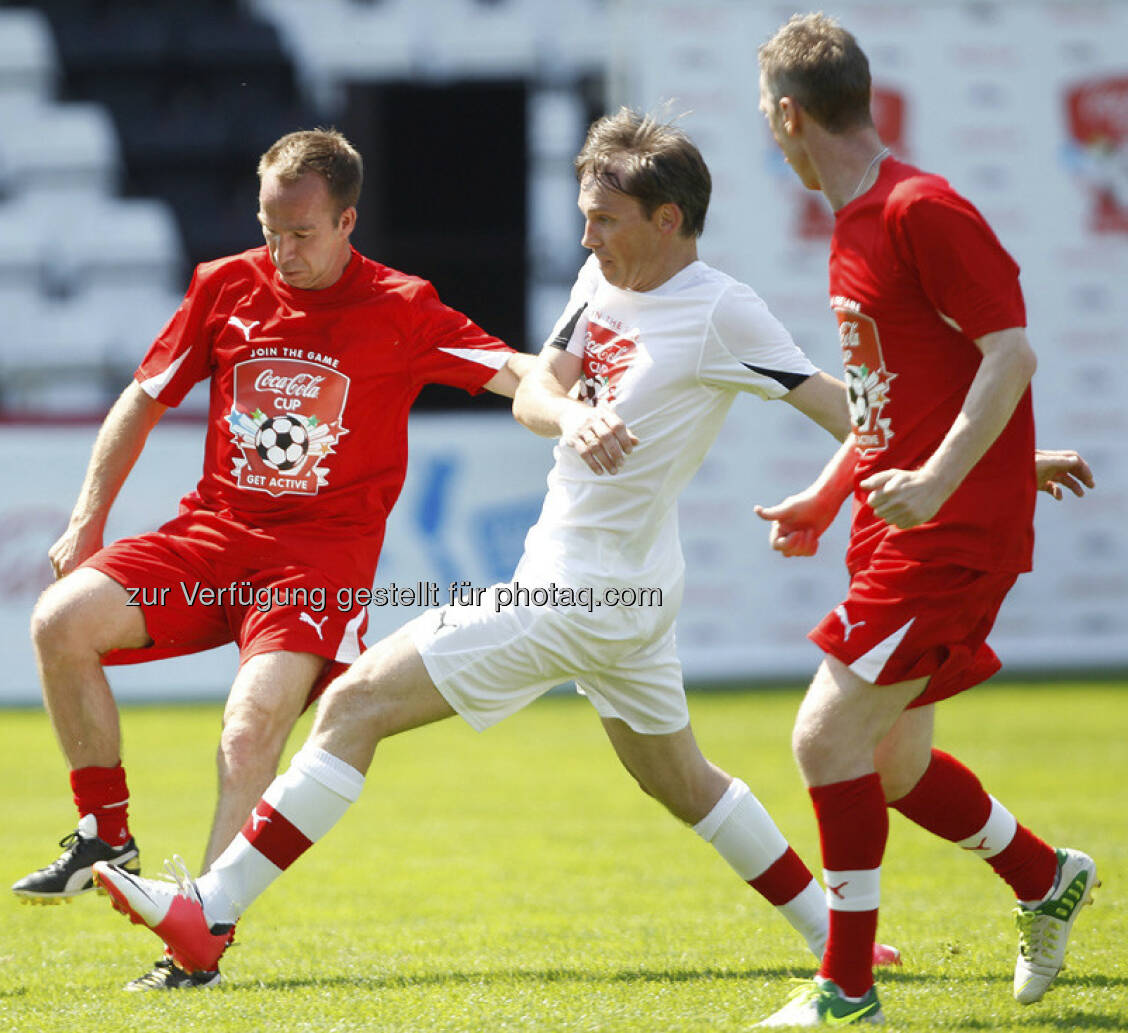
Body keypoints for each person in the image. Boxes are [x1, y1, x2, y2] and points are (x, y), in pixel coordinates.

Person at [90, 109, 906, 982]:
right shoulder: (599, 278)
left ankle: (210, 911)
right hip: (620, 587)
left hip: (581, 592)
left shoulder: (723, 311)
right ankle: (831, 930)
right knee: (681, 778)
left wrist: (982, 452)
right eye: (585, 213)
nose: (584, 234)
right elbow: (535, 394)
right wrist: (576, 415)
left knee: (355, 703)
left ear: (668, 221)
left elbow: (840, 406)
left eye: (605, 218)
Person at [11, 127, 535, 988]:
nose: (281, 251)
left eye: (301, 233)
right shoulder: (223, 286)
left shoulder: (403, 305)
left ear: (347, 221)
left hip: (316, 562)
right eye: (269, 230)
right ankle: (104, 832)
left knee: (252, 728)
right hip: (212, 535)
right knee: (58, 622)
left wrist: (578, 393)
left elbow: (507, 369)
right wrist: (86, 518)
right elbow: (142, 398)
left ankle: (198, 939)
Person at [751, 14, 1099, 1026]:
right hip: (894, 530)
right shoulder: (852, 227)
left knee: (823, 739)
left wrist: (952, 479)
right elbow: (886, 405)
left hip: (945, 538)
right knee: (892, 762)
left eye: (769, 125)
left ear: (789, 114)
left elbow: (1012, 355)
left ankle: (846, 988)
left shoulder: (921, 209)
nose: (772, 142)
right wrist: (822, 501)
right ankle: (1046, 878)